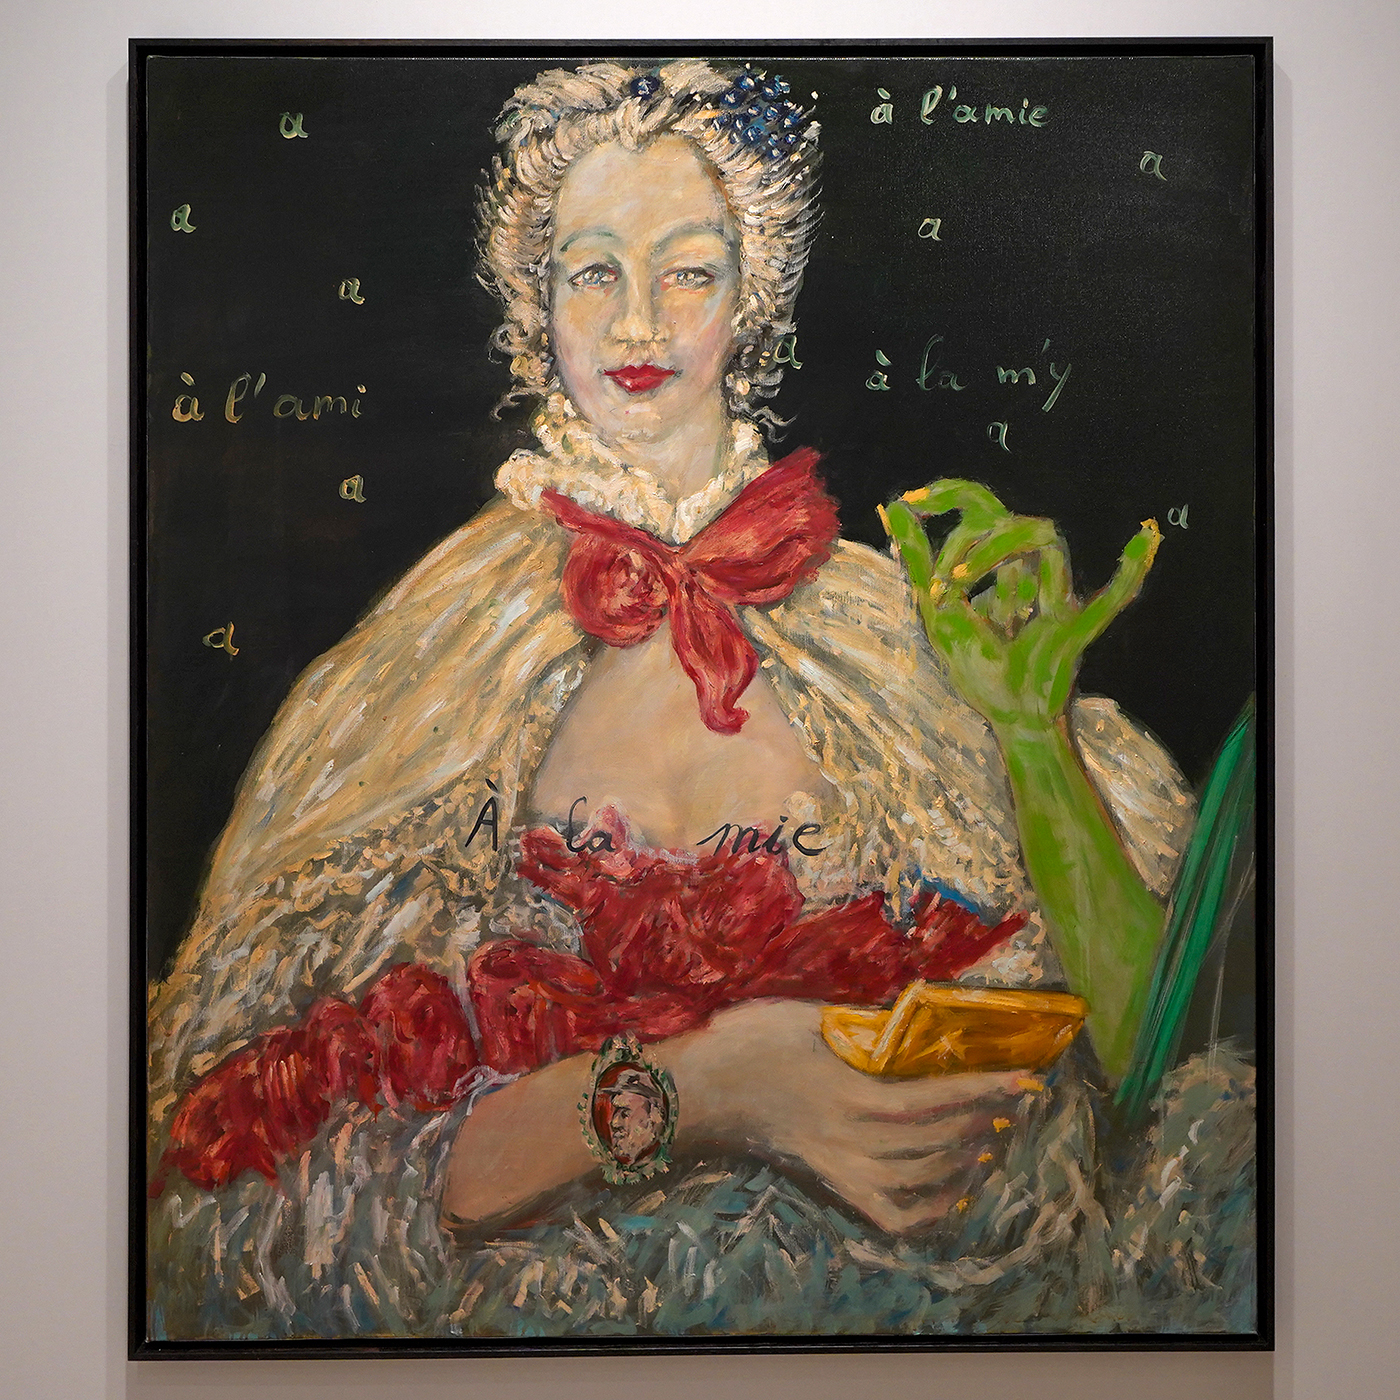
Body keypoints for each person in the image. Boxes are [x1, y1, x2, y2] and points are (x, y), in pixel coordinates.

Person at [146, 59, 1256, 1341]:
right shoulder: (418, 667)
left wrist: (1031, 734)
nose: (636, 324)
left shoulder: (900, 631)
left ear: (752, 295)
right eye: (590, 273)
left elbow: (1176, 1077)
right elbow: (240, 1203)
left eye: (686, 270)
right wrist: (715, 1087)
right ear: (532, 304)